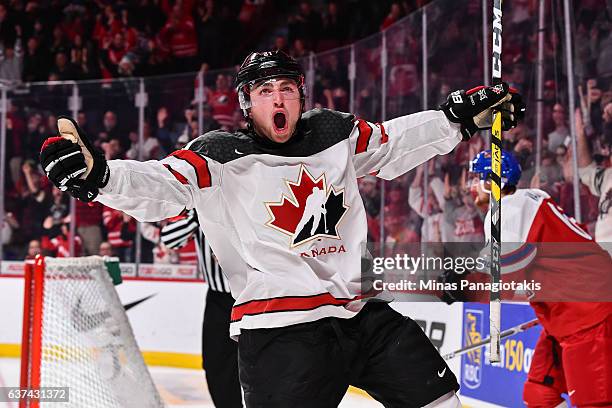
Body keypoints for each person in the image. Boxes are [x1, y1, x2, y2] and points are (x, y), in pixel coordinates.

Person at [40, 50, 524, 407]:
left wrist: (456, 120)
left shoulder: (334, 133)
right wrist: (101, 177)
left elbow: (394, 142)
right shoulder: (219, 154)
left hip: (362, 315)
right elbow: (161, 183)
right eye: (265, 91)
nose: (279, 99)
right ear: (247, 102)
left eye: (287, 89)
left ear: (300, 97)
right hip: (282, 332)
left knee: (439, 400)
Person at [442, 149, 612, 407]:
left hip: (590, 317)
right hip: (572, 315)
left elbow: (501, 281)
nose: (470, 186)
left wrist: (459, 286)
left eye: (476, 178)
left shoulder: (508, 209)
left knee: (595, 402)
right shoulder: (527, 201)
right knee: (539, 392)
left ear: (492, 181)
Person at [160, 210, 241, 408]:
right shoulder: (198, 212)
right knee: (217, 363)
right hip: (219, 300)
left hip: (252, 296)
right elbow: (169, 239)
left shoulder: (243, 205)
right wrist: (199, 214)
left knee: (262, 360)